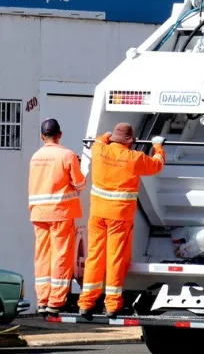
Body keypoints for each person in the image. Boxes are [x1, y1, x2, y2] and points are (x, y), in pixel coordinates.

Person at [78, 123, 166, 319]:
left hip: (98, 213)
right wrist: (158, 147)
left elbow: (100, 139)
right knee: (115, 258)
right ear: (130, 141)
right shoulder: (134, 158)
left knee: (94, 256)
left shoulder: (99, 149)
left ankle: (86, 302)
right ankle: (112, 304)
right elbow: (156, 164)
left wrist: (106, 134)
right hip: (119, 216)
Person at [28, 118, 86, 316]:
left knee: (42, 257)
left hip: (38, 212)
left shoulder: (35, 157)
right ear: (59, 134)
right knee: (61, 255)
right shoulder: (67, 155)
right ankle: (56, 301)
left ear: (42, 136)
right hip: (60, 212)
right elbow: (79, 184)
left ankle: (42, 300)